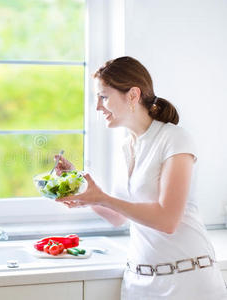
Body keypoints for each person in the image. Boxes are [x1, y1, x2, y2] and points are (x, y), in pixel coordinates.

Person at [55, 56, 227, 299]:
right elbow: (118, 217)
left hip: (187, 284)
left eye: (103, 97)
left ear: (133, 95)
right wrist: (82, 190)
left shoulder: (174, 139)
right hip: (138, 283)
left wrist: (101, 198)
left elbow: (168, 220)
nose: (97, 107)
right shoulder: (127, 146)